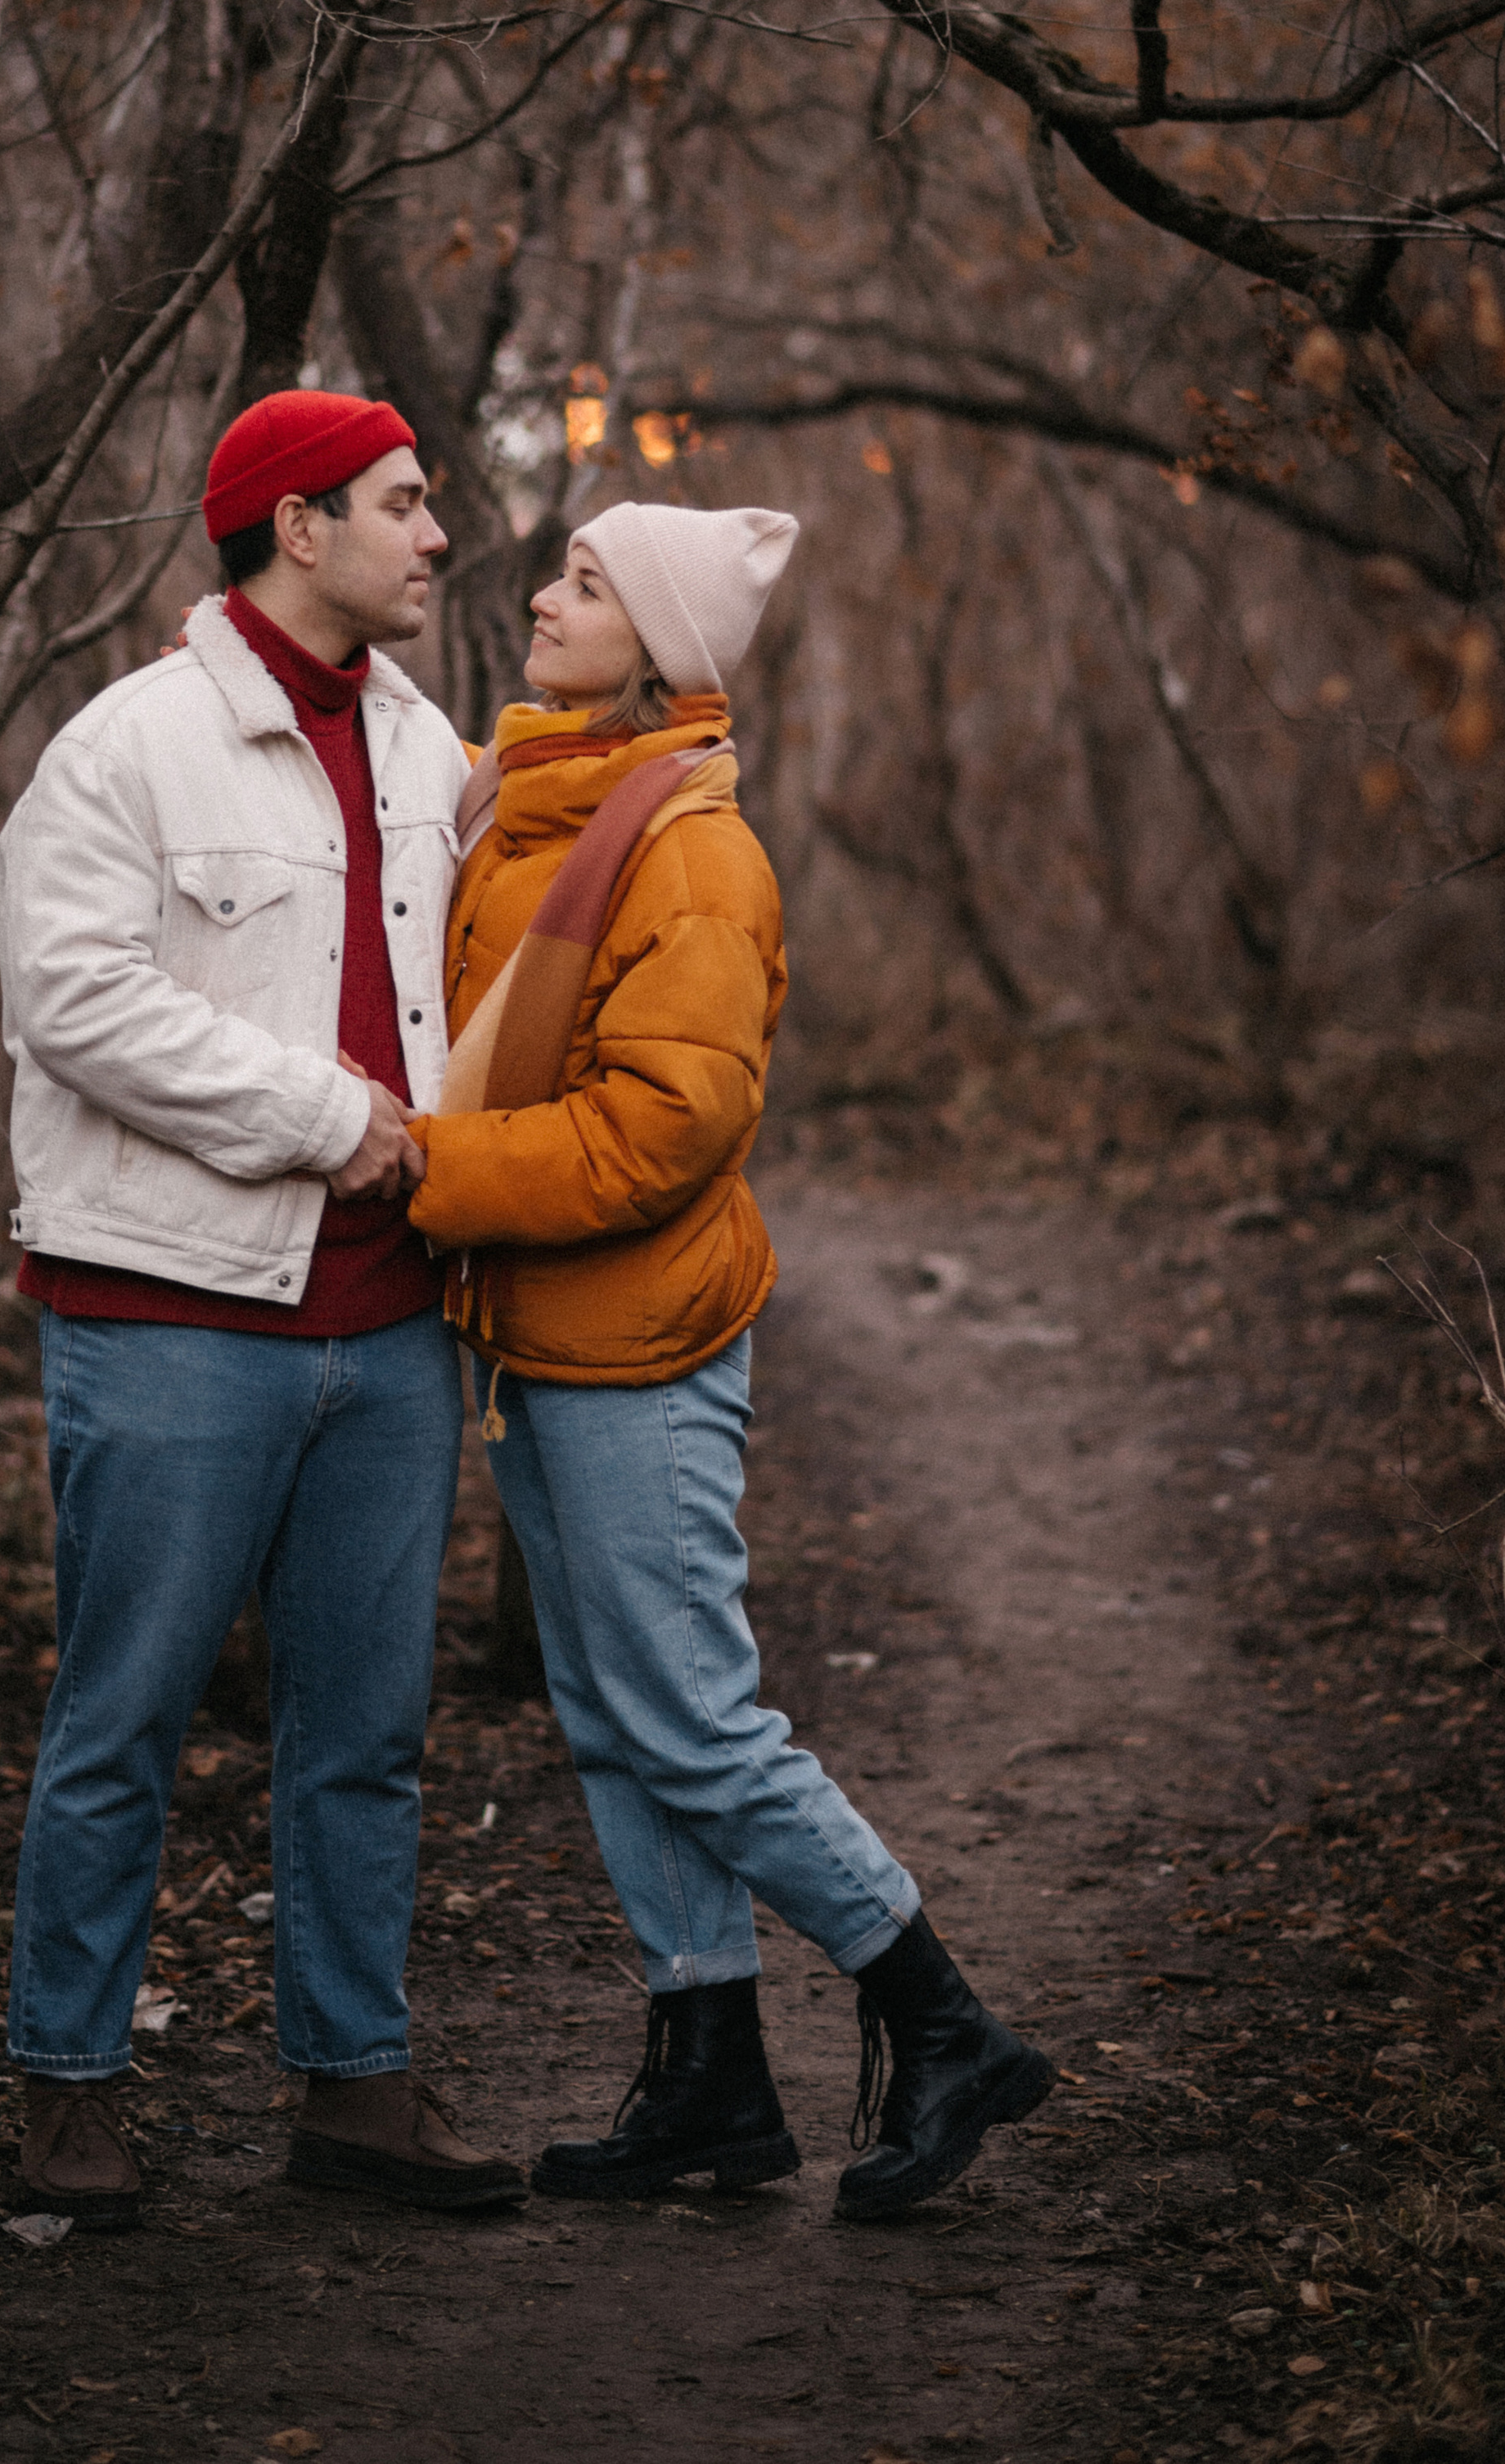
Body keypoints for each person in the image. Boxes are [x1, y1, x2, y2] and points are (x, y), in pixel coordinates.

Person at [405, 499, 1053, 2217]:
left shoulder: (688, 850)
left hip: (633, 1340)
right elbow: (409, 759)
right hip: (531, 1332)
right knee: (613, 1716)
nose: (542, 595)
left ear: (662, 648)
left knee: (689, 1717)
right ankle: (710, 2075)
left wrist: (424, 1168)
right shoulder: (534, 797)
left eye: (587, 582)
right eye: (558, 571)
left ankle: (940, 2021)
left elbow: (655, 1134)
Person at [0, 389, 525, 2227]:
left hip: (386, 1336)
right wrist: (334, 1126)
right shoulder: (125, 747)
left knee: (366, 1731)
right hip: (167, 1320)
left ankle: (352, 2086)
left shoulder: (419, 741)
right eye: (397, 503)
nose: (432, 535)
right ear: (295, 528)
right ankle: (67, 2088)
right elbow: (74, 1003)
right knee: (122, 1718)